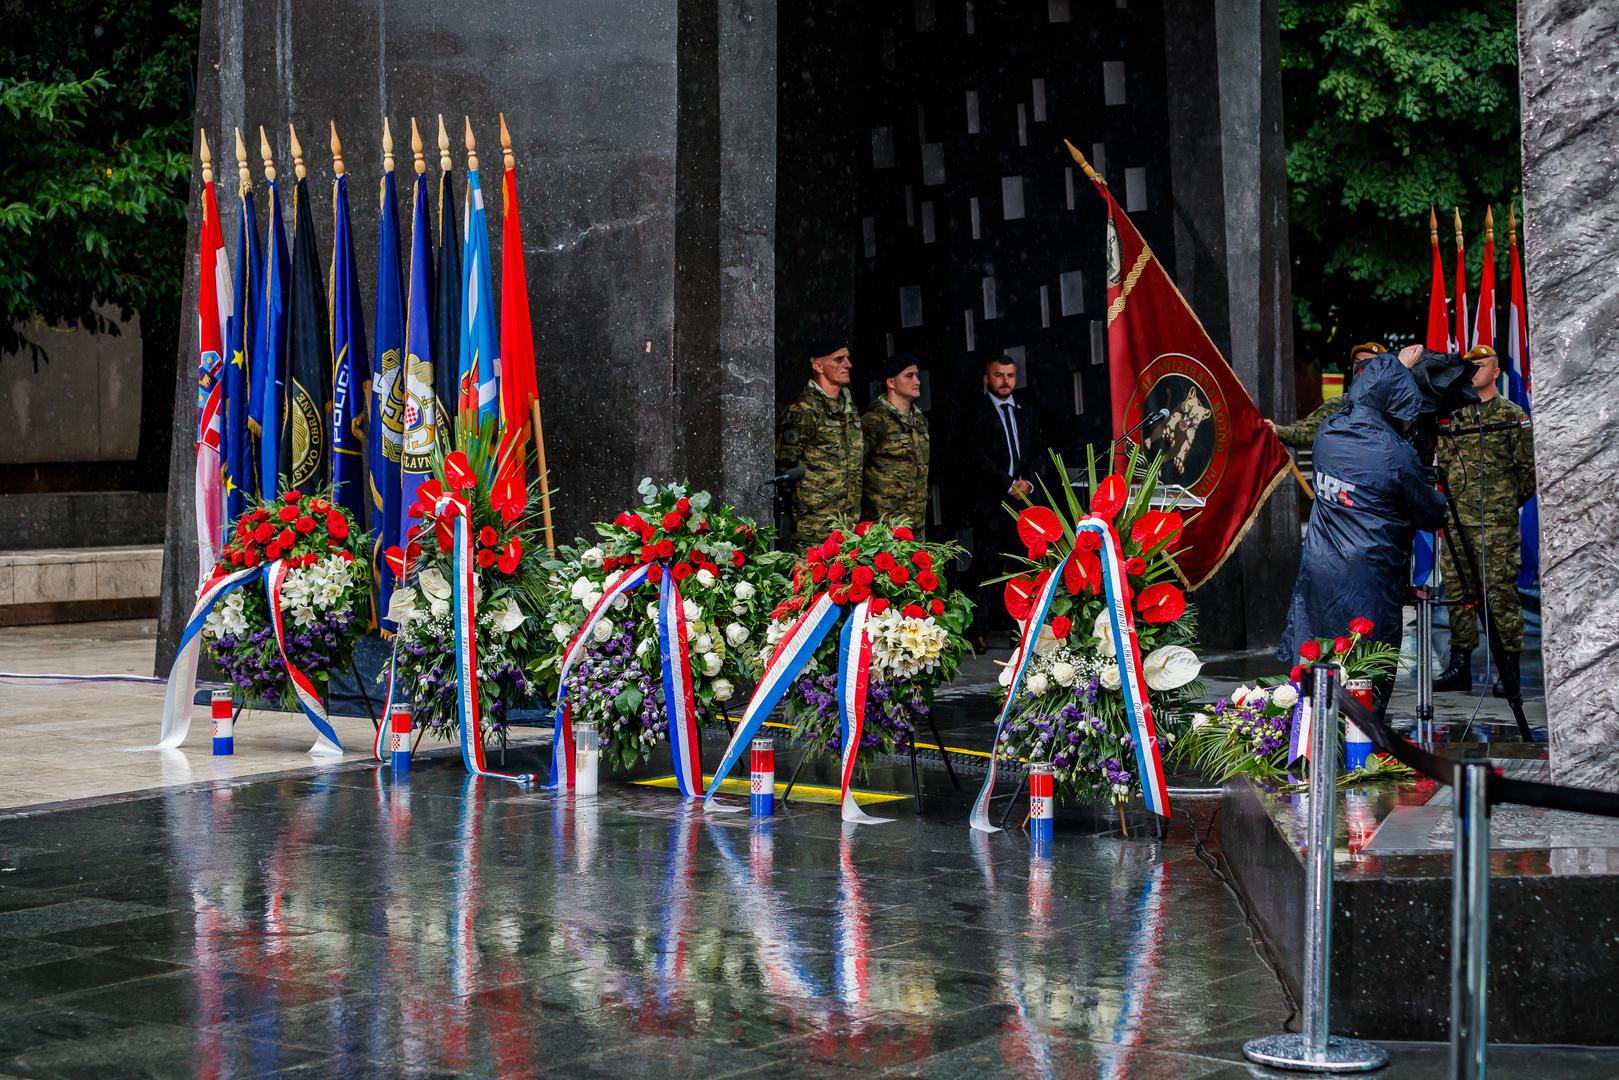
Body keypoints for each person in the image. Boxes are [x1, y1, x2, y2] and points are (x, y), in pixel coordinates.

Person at [1279, 356, 1447, 713]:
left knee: (1315, 662)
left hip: (1319, 573)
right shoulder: (1396, 454)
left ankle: (1313, 744)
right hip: (1369, 581)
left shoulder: (1328, 431)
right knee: (1364, 675)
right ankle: (1359, 753)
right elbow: (1430, 515)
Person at [1433, 345, 1537, 694]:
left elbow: (1528, 473)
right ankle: (1460, 665)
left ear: (1496, 373)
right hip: (1456, 523)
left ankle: (1509, 671)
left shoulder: (1513, 416)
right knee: (1459, 594)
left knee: (1500, 596)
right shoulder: (1452, 417)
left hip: (1497, 527)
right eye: (1471, 365)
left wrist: (1501, 505)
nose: (1475, 369)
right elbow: (1443, 467)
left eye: (1483, 365)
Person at [963, 355, 1045, 646]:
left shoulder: (1025, 411)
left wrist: (1029, 483)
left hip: (1023, 502)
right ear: (988, 378)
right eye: (999, 375)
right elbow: (976, 456)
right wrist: (1008, 484)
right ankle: (979, 630)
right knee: (986, 567)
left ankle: (1017, 628)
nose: (1005, 381)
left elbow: (1038, 451)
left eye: (1010, 375)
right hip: (991, 502)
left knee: (1020, 566)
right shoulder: (977, 412)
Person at [775, 332, 863, 550]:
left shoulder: (850, 410)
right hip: (813, 533)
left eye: (848, 358)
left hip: (848, 531)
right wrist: (806, 508)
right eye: (839, 359)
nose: (848, 364)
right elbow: (784, 468)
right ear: (818, 366)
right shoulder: (803, 411)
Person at [1267, 341, 1386, 449]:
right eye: (1357, 362)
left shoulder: (1394, 408)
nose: (1361, 368)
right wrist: (1277, 430)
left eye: (1369, 363)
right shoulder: (1339, 404)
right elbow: (1307, 432)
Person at [861, 354, 930, 534]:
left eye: (917, 375)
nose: (917, 381)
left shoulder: (919, 420)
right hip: (884, 525)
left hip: (916, 522)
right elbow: (855, 468)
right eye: (909, 376)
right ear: (891, 382)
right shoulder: (874, 420)